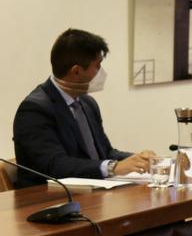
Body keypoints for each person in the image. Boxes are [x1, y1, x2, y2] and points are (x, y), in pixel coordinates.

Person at [12, 28, 156, 188]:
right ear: (76, 72)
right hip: (47, 201)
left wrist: (139, 160)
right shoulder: (34, 110)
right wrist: (112, 167)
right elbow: (55, 165)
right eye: (98, 66)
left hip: (92, 194)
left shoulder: (87, 103)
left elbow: (105, 152)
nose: (101, 73)